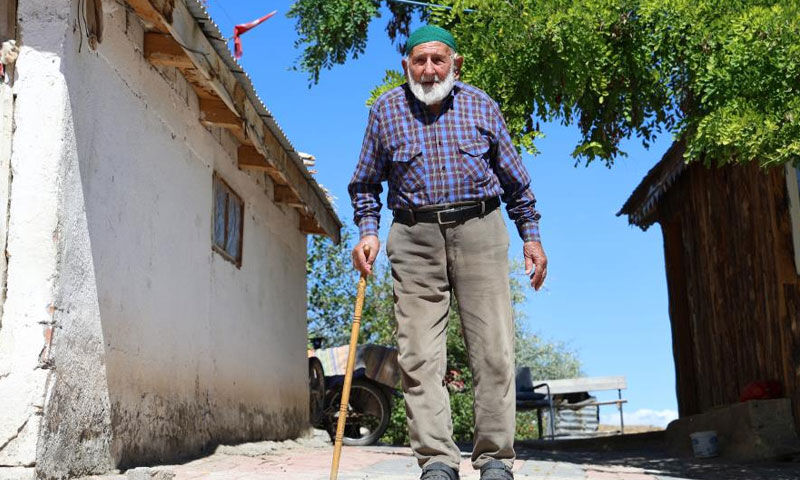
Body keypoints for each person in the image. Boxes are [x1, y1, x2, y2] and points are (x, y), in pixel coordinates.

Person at [347, 25, 547, 480]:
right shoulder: (385, 111)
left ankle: (495, 458)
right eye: (420, 60)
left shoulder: (481, 105)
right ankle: (437, 460)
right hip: (414, 239)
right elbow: (364, 184)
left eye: (439, 59)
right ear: (406, 66)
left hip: (480, 229)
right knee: (418, 356)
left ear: (455, 63)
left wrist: (530, 237)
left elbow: (517, 183)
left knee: (493, 351)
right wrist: (368, 231)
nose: (430, 69)